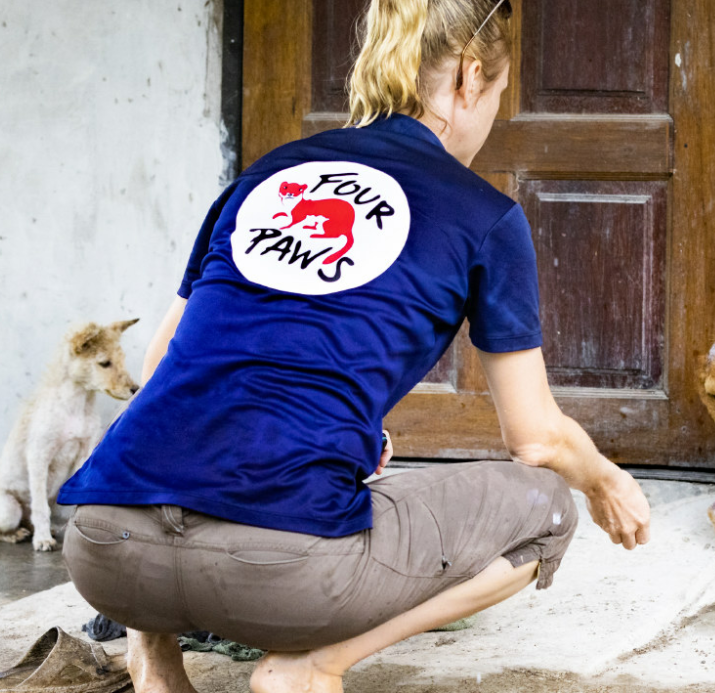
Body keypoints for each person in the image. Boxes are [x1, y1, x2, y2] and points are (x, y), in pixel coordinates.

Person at [55, 1, 651, 691]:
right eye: (497, 93)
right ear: (471, 76)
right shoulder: (484, 214)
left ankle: (155, 659)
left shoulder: (266, 175)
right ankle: (311, 670)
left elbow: (160, 374)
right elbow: (538, 441)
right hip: (278, 577)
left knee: (173, 443)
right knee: (547, 506)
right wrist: (605, 480)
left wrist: (350, 433)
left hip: (104, 553)